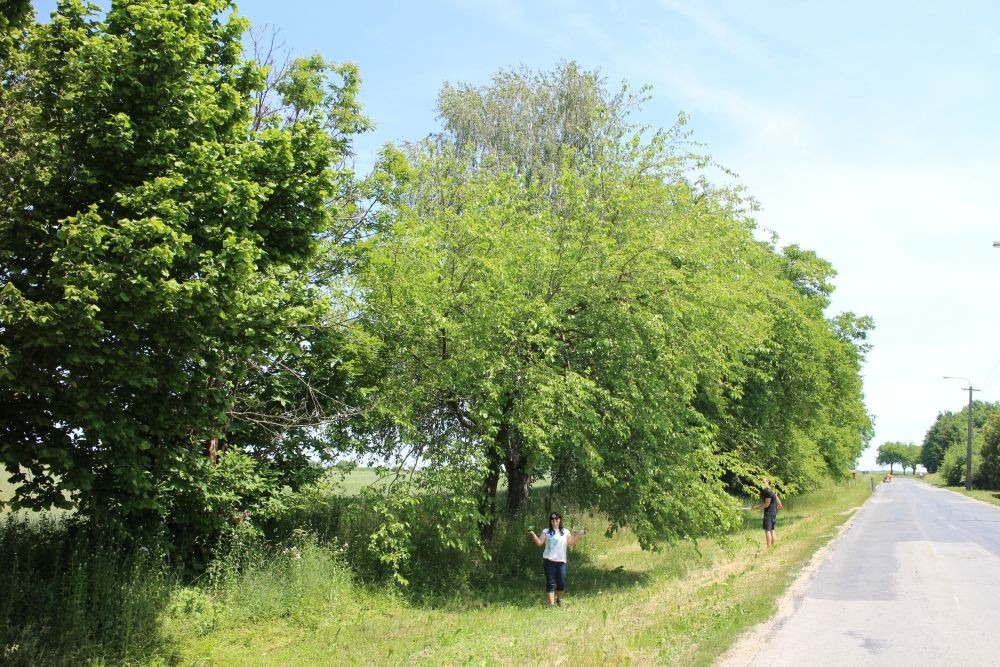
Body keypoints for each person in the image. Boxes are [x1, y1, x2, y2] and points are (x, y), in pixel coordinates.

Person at [528, 512, 586, 606]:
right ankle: (551, 605)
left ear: (560, 520)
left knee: (561, 583)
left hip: (561, 562)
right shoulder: (546, 531)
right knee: (550, 583)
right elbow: (539, 542)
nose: (554, 520)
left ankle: (558, 600)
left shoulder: (565, 532)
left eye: (556, 518)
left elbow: (571, 542)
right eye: (552, 519)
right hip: (548, 561)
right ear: (550, 521)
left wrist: (579, 534)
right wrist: (532, 533)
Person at [751, 478, 783, 547]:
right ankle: (773, 546)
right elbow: (780, 504)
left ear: (767, 482)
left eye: (764, 482)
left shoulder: (767, 492)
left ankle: (769, 547)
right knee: (772, 530)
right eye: (761, 482)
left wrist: (756, 508)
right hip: (773, 513)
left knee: (767, 530)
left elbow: (766, 504)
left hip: (769, 514)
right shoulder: (772, 491)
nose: (762, 483)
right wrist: (774, 508)